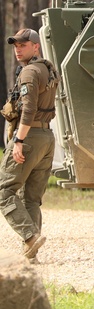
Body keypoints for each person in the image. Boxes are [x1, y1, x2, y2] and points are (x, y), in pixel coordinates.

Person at [0, 28, 58, 261]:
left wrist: (19, 141)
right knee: (31, 198)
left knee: (4, 191)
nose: (18, 49)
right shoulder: (47, 69)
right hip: (46, 138)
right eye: (15, 46)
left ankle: (30, 237)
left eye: (23, 45)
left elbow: (29, 109)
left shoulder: (30, 73)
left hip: (30, 138)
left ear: (36, 47)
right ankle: (31, 253)